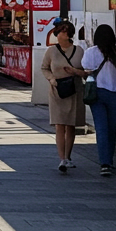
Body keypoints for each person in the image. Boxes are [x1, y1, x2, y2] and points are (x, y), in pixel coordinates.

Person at [79, 24, 116, 175]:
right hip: (115, 92)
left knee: (101, 128)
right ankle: (109, 160)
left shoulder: (90, 52)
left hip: (97, 92)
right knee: (111, 129)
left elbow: (85, 67)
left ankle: (104, 163)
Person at [40, 19, 85, 173]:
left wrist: (76, 72)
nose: (59, 34)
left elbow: (85, 71)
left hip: (74, 89)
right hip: (57, 90)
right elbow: (44, 68)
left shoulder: (79, 51)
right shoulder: (51, 51)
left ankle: (68, 156)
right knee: (59, 124)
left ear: (69, 34)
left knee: (71, 124)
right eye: (58, 31)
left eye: (63, 31)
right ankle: (62, 159)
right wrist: (51, 79)